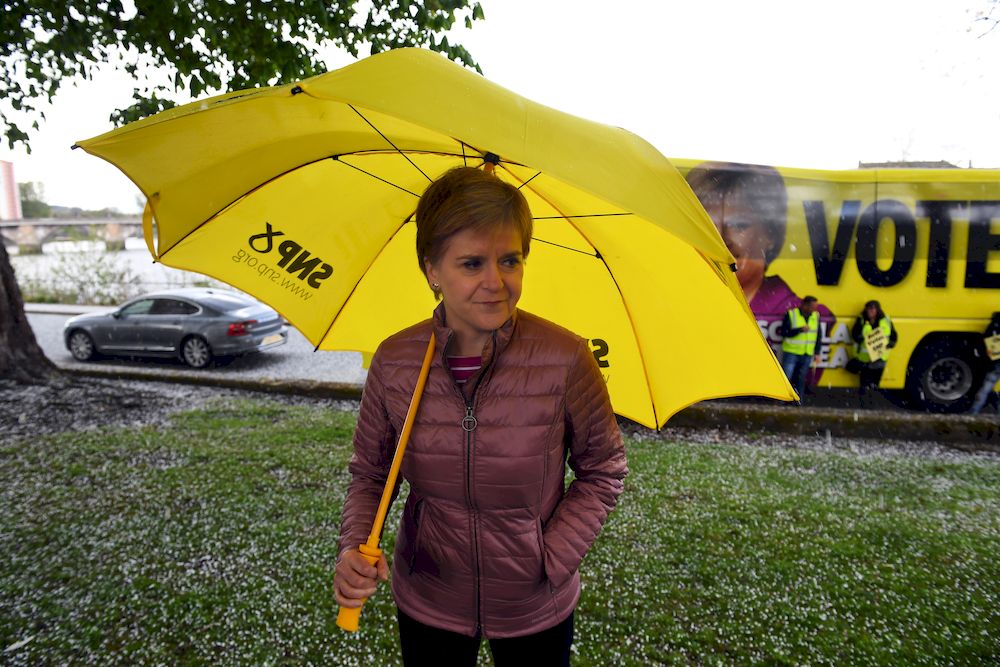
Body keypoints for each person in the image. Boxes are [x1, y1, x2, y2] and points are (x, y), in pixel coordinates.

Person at [333, 166, 628, 666]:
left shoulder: (564, 357)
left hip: (534, 604)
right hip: (429, 595)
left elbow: (604, 469)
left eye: (510, 260)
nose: (496, 283)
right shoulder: (397, 360)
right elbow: (370, 471)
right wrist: (353, 547)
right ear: (432, 270)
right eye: (471, 264)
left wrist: (550, 558)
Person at [685, 162, 833, 386]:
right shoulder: (679, 300)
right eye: (707, 227)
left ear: (770, 234)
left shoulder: (797, 309)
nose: (721, 242)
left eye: (739, 226)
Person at [851, 300, 898, 409]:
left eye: (873, 309)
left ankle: (871, 405)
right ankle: (863, 405)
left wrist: (890, 344)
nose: (870, 311)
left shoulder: (885, 320)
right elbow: (855, 334)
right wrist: (862, 338)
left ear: (877, 310)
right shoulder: (862, 320)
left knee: (874, 385)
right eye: (869, 309)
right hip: (865, 359)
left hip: (879, 359)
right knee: (863, 385)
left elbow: (894, 336)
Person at [780, 296, 821, 403]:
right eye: (812, 307)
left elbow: (818, 336)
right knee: (786, 379)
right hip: (792, 352)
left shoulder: (815, 316)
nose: (814, 309)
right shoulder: (791, 314)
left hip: (807, 353)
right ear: (805, 305)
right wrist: (799, 330)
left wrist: (817, 352)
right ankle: (782, 401)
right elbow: (784, 332)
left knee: (801, 379)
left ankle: (799, 401)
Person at [970, 311, 1000, 415]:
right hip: (996, 362)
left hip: (995, 361)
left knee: (985, 389)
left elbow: (987, 343)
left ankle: (974, 412)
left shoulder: (993, 328)